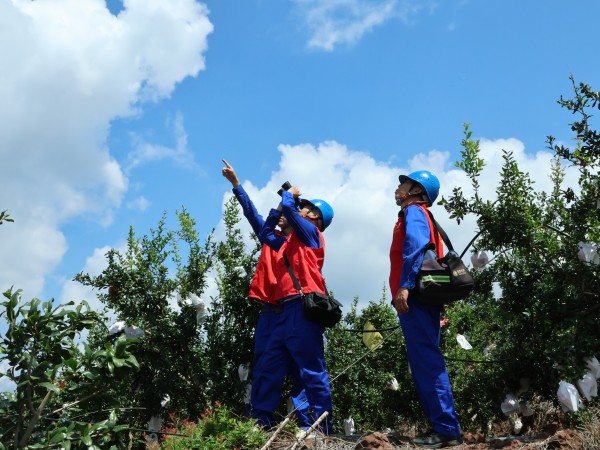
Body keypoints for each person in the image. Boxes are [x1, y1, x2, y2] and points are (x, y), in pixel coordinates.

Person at [221, 160, 311, 428]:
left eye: (291, 211)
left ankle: (308, 424)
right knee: (264, 367)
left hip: (294, 311)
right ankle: (261, 421)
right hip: (270, 313)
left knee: (301, 369)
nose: (284, 213)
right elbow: (252, 214)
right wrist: (236, 184)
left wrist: (290, 201)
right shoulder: (271, 238)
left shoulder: (303, 243)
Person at [389, 170, 463, 448]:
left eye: (405, 184)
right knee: (427, 360)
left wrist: (405, 286)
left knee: (426, 363)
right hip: (426, 300)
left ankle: (446, 430)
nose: (399, 188)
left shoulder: (414, 212)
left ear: (418, 191)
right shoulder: (421, 214)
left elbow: (415, 249)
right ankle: (445, 427)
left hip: (416, 298)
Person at [252, 185, 334, 433]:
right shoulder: (288, 243)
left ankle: (320, 425)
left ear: (316, 218)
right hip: (284, 309)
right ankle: (260, 421)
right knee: (270, 365)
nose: (300, 209)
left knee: (310, 367)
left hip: (303, 306)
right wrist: (282, 206)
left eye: (305, 208)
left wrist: (291, 196)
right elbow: (266, 232)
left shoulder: (312, 234)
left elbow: (289, 207)